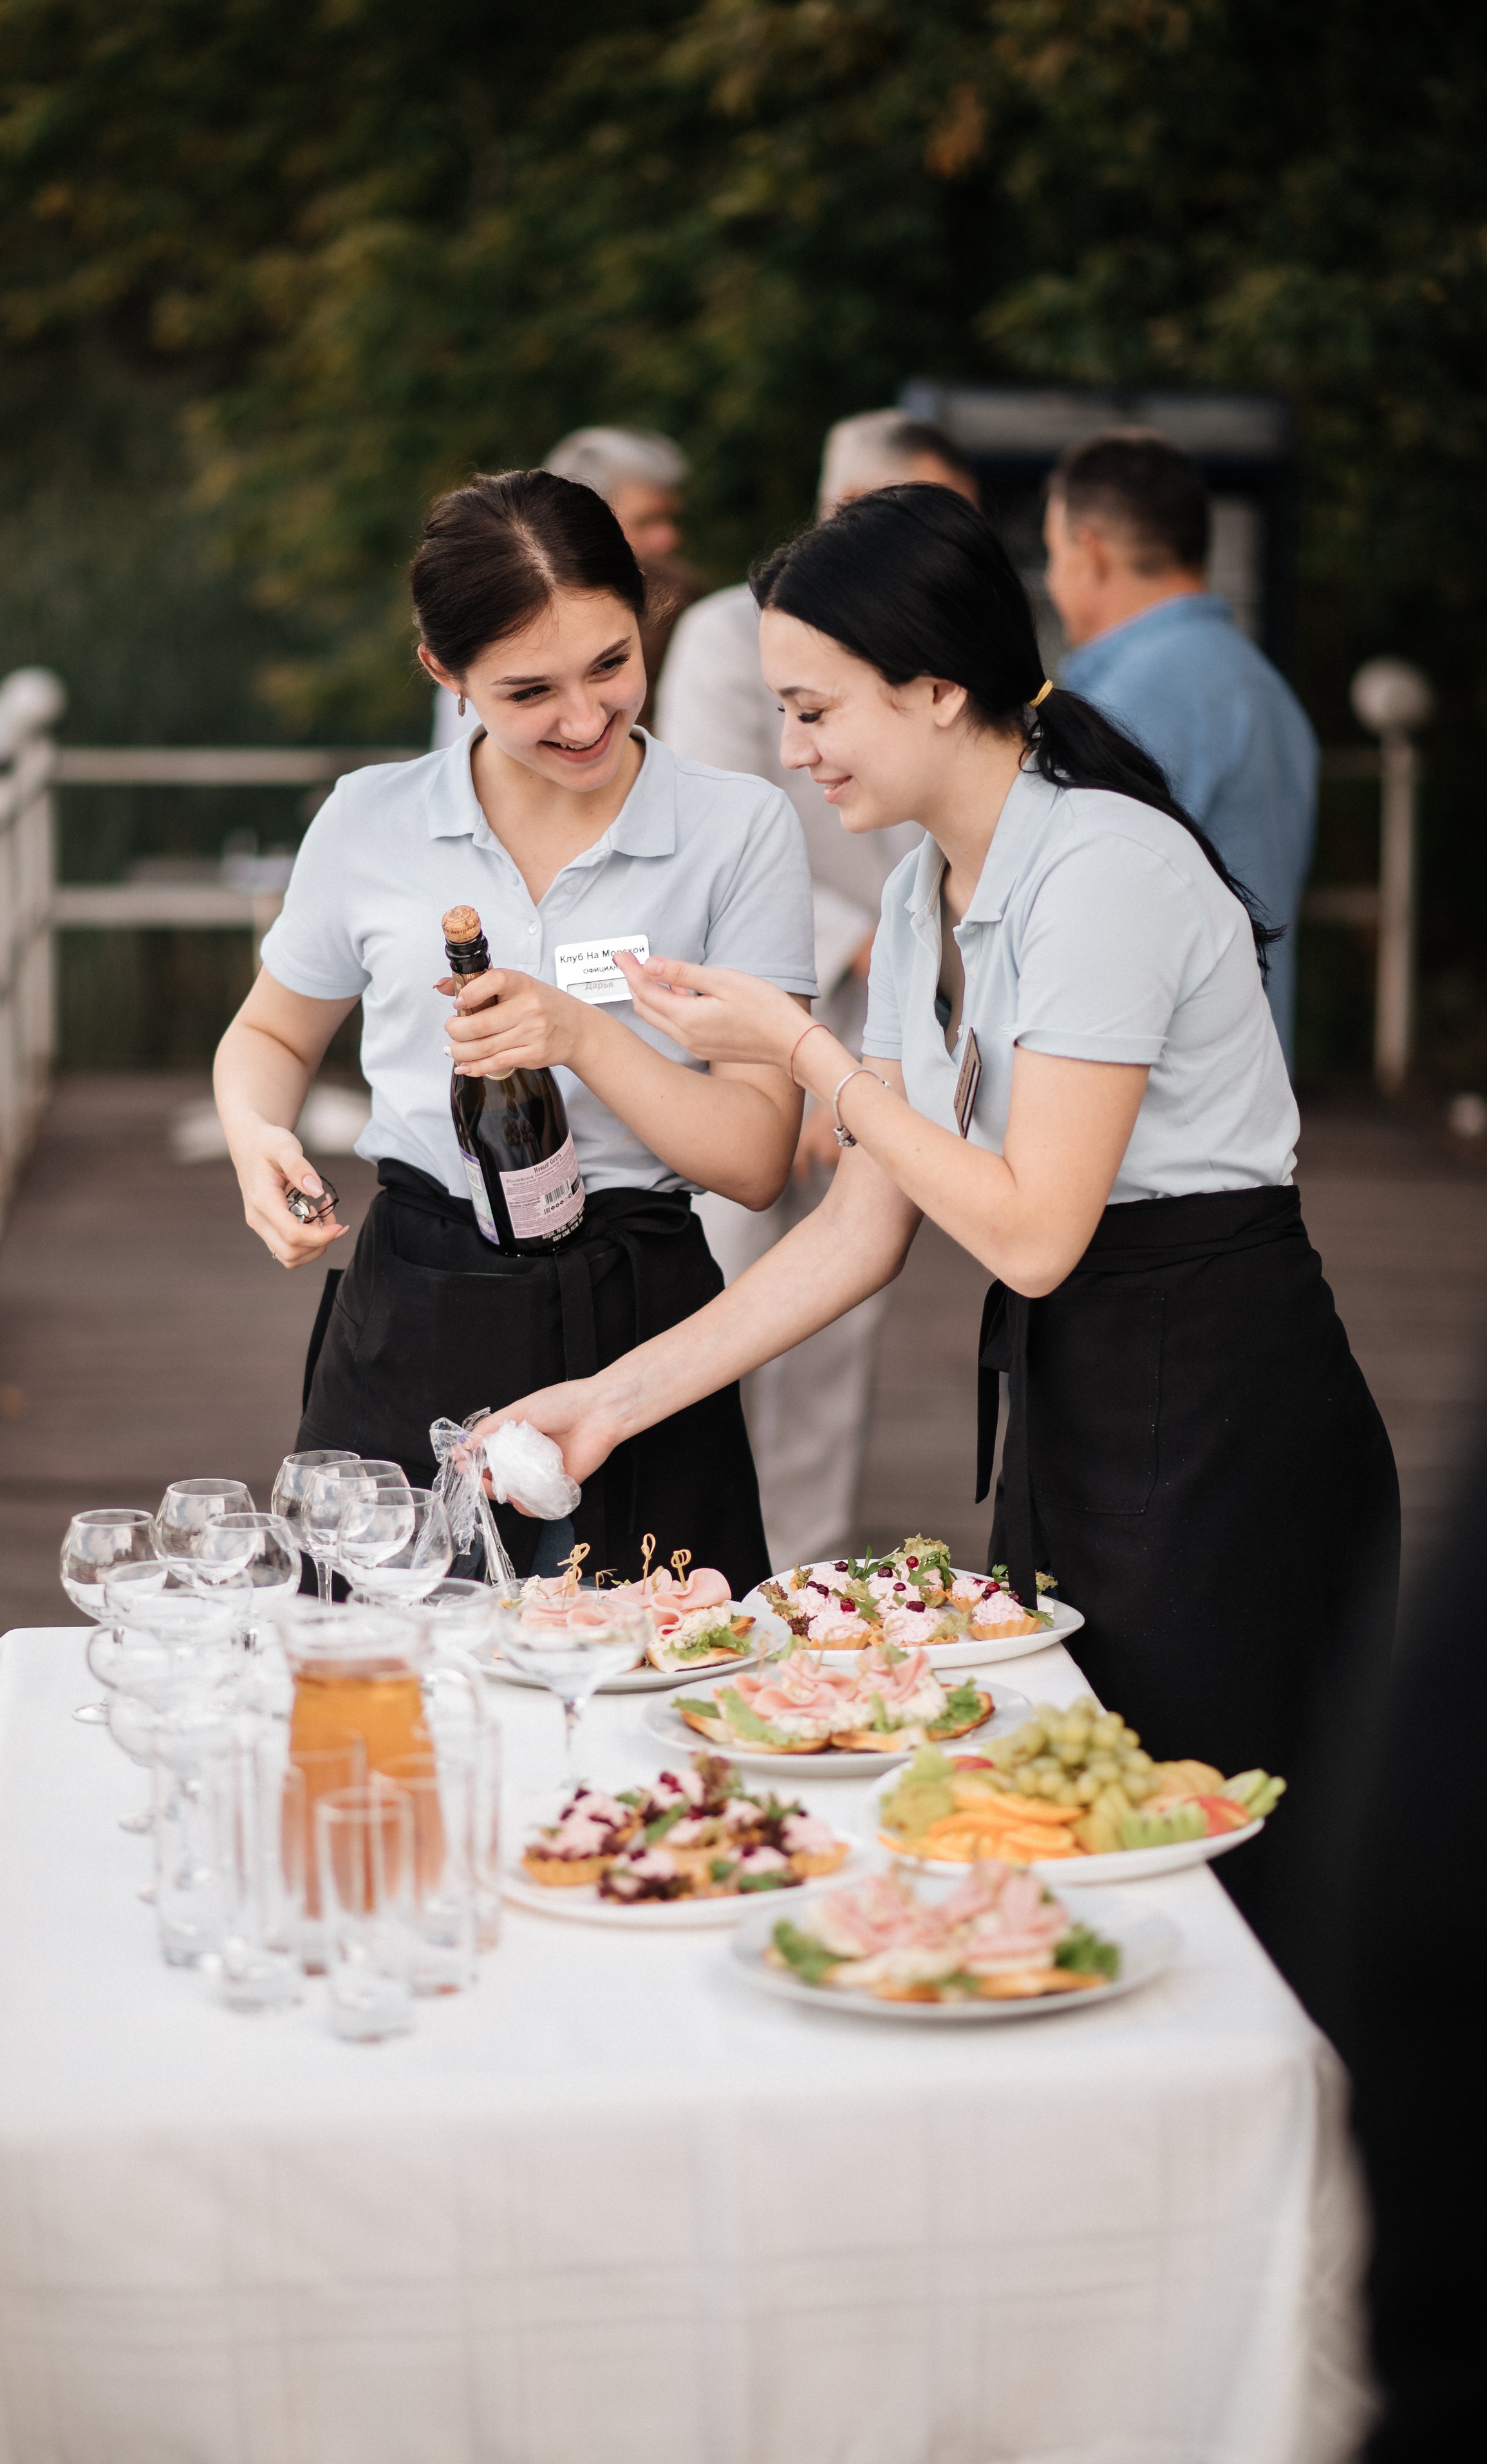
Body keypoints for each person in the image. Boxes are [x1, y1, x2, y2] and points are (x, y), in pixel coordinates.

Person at [486, 483, 1399, 1938]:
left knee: (1206, 1872)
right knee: (1064, 1815)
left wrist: (805, 1060)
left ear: (934, 686)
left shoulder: (1100, 866)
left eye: (813, 710)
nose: (788, 752)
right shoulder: (920, 894)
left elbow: (1033, 1229)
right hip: (1081, 1391)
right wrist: (610, 1400)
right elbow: (860, 1227)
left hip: (1222, 1401)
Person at [215, 469, 817, 1592]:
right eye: (529, 689)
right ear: (445, 673)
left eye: (611, 664)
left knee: (656, 1680)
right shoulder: (370, 819)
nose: (585, 718)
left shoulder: (739, 829)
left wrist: (584, 1036)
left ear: (650, 620)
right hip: (415, 1298)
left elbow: (752, 1159)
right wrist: (258, 1136)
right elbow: (271, 1035)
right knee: (375, 1672)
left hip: (642, 1319)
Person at [655, 411, 980, 1568]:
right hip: (747, 1002)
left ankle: (803, 1565)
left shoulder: (949, 655)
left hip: (896, 1000)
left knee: (847, 1311)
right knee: (726, 1291)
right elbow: (720, 836)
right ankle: (702, 1562)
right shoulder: (717, 637)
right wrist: (788, 1057)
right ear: (845, 510)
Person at [1043, 427, 1318, 1069]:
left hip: (1149, 1100)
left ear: (1091, 554)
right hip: (1238, 1090)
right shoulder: (1261, 685)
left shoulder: (1130, 697)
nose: (1054, 583)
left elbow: (1079, 913)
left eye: (1053, 555)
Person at [431, 427, 698, 745]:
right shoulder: (484, 638)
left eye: (610, 663)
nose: (668, 539)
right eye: (530, 692)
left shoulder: (690, 606)